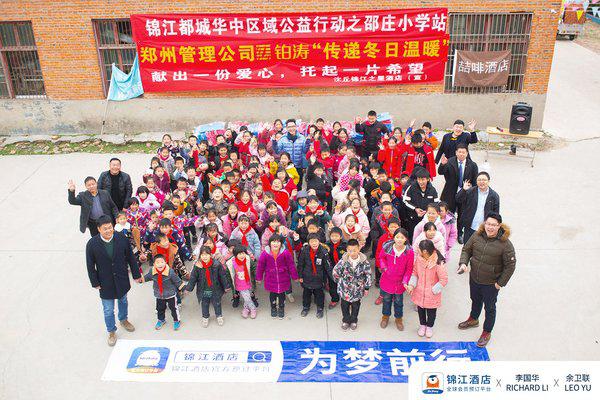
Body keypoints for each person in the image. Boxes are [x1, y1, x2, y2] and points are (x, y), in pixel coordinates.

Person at [457, 213, 516, 348]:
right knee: (475, 300)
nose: (490, 227)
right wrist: (463, 263)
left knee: (489, 308)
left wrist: (500, 283)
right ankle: (473, 319)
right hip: (475, 278)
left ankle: (486, 332)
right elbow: (467, 249)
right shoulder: (477, 235)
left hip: (491, 283)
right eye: (488, 224)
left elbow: (510, 266)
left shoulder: (505, 244)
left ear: (499, 226)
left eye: (493, 225)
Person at [85, 215, 142, 346]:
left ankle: (123, 319)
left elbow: (130, 257)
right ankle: (111, 331)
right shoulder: (92, 244)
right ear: (99, 229)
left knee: (123, 301)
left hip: (121, 278)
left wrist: (136, 274)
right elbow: (90, 265)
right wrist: (95, 282)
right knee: (108, 309)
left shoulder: (121, 238)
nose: (108, 230)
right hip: (105, 282)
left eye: (110, 227)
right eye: (105, 229)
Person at [407, 239, 448, 338]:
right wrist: (412, 285)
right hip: (419, 291)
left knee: (431, 312)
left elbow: (443, 279)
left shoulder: (438, 262)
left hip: (432, 295)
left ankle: (429, 327)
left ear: (424, 251)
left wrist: (434, 290)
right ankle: (422, 325)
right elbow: (415, 273)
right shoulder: (419, 259)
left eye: (419, 249)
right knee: (420, 310)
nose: (417, 250)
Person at [377, 228, 414, 331]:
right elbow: (381, 258)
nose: (399, 239)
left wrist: (405, 281)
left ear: (406, 239)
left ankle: (398, 319)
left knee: (398, 301)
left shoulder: (409, 252)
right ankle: (385, 317)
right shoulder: (387, 247)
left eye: (402, 237)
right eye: (397, 237)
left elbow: (409, 269)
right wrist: (385, 268)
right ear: (394, 238)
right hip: (387, 280)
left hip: (399, 283)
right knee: (386, 300)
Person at [332, 239, 372, 330]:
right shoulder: (343, 261)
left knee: (356, 306)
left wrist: (366, 287)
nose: (352, 253)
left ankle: (354, 320)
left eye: (354, 250)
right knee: (344, 305)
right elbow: (335, 271)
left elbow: (368, 274)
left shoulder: (364, 262)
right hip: (345, 289)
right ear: (347, 250)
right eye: (350, 251)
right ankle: (346, 320)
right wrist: (339, 282)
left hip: (357, 289)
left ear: (359, 249)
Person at [186, 246, 231, 328]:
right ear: (200, 256)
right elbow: (193, 278)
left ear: (211, 255)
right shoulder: (197, 266)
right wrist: (189, 288)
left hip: (215, 289)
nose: (205, 257)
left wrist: (226, 286)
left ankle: (219, 316)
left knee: (217, 303)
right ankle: (205, 317)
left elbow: (222, 276)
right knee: (205, 304)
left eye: (206, 254)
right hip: (203, 290)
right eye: (202, 255)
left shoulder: (216, 264)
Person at [256, 235, 299, 319]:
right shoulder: (265, 253)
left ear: (281, 244)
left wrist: (295, 276)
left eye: (278, 242)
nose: (275, 244)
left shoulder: (285, 253)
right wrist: (259, 278)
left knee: (282, 295)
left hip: (283, 278)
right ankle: (273, 308)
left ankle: (281, 308)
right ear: (269, 243)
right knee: (272, 294)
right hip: (270, 278)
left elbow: (291, 265)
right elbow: (260, 266)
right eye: (273, 241)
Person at [142, 254, 185, 331]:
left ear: (165, 262)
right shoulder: (152, 271)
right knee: (160, 308)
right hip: (159, 294)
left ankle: (176, 320)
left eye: (162, 262)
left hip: (170, 294)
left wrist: (184, 288)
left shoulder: (170, 272)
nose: (160, 264)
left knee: (174, 308)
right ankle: (161, 320)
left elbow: (177, 281)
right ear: (154, 264)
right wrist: (141, 279)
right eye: (157, 262)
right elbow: (147, 277)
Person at [455, 171, 500, 244]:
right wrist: (463, 190)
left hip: (485, 229)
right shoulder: (470, 191)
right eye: (479, 180)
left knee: (482, 249)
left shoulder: (494, 196)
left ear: (488, 181)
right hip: (470, 227)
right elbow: (458, 199)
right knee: (467, 247)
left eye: (484, 180)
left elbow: (496, 214)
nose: (481, 182)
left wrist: (493, 228)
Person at [437, 143, 478, 214]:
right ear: (456, 152)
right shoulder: (449, 161)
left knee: (462, 215)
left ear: (467, 153)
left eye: (463, 152)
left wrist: (473, 194)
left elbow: (475, 181)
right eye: (459, 152)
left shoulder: (472, 165)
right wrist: (442, 164)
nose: (461, 154)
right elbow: (440, 172)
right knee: (448, 215)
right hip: (450, 193)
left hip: (465, 193)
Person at [297, 233, 331, 319]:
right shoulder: (304, 251)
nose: (314, 243)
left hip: (319, 278)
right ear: (308, 242)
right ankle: (305, 307)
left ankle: (320, 308)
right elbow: (300, 264)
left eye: (316, 241)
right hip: (307, 277)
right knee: (306, 294)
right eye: (312, 241)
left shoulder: (324, 252)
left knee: (319, 294)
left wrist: (331, 278)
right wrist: (300, 276)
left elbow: (328, 266)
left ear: (319, 241)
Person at [402, 168, 439, 239]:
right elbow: (405, 201)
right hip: (413, 219)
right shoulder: (411, 188)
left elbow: (436, 203)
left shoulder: (432, 190)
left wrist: (427, 211)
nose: (420, 182)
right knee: (413, 237)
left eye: (423, 179)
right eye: (418, 179)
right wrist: (415, 209)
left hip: (427, 219)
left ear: (428, 179)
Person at [272, 119, 309, 185]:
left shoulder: (302, 138)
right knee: (287, 185)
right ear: (286, 128)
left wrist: (307, 143)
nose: (291, 128)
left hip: (299, 166)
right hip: (287, 166)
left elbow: (305, 151)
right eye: (289, 127)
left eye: (293, 126)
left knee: (298, 185)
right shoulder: (283, 138)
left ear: (296, 126)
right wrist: (274, 142)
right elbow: (277, 151)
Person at [225, 246, 258, 319]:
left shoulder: (248, 260)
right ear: (235, 255)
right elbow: (228, 274)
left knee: (247, 297)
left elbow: (254, 268)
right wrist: (228, 285)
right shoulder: (231, 263)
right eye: (239, 254)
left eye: (243, 253)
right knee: (246, 297)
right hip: (240, 284)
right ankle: (252, 308)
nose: (242, 255)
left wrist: (257, 277)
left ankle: (247, 309)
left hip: (249, 282)